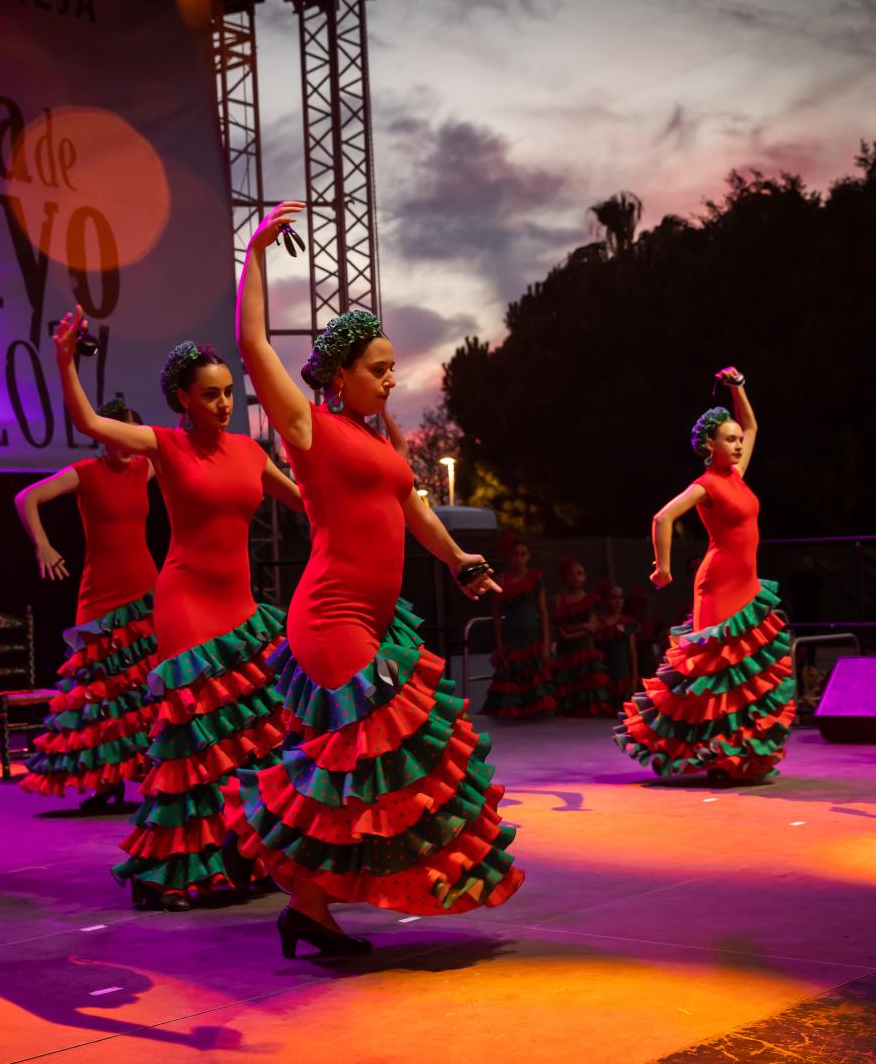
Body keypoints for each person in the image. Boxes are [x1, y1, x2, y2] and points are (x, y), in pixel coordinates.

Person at [227, 200, 524, 959]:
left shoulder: (376, 440)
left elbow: (414, 507)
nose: (392, 380)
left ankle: (311, 908)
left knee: (376, 765)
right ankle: (306, 897)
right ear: (339, 374)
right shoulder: (308, 428)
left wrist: (458, 560)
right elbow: (251, 341)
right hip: (329, 617)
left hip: (372, 617)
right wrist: (257, 250)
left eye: (393, 369)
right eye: (379, 370)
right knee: (371, 755)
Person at [53, 316, 304, 910]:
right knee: (193, 739)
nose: (223, 403)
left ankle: (244, 855)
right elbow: (89, 423)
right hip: (186, 603)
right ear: (182, 401)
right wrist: (66, 361)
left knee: (245, 738)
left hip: (240, 608)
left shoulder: (249, 451)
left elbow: (309, 503)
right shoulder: (165, 446)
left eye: (227, 391)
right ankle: (165, 870)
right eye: (210, 394)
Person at [614, 367, 796, 783]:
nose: (737, 444)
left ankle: (739, 755)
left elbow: (751, 424)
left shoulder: (736, 475)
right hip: (717, 585)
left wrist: (738, 388)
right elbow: (662, 517)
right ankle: (716, 758)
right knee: (717, 672)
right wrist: (663, 567)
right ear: (709, 446)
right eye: (728, 440)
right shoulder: (706, 484)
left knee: (744, 670)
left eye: (736, 440)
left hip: (747, 583)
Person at [15, 399, 159, 810]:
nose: (129, 443)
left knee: (142, 689)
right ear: (103, 436)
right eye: (120, 434)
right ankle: (104, 782)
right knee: (100, 691)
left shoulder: (145, 469)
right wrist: (42, 544)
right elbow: (26, 498)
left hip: (143, 590)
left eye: (134, 434)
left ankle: (146, 773)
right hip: (100, 595)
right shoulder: (86, 473)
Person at [481, 533, 556, 718]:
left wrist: (546, 644)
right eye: (515, 554)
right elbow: (497, 615)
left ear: (528, 556)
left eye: (523, 554)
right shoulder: (501, 580)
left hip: (532, 634)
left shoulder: (535, 578)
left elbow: (543, 612)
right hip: (511, 637)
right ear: (509, 556)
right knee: (510, 682)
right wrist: (498, 644)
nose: (519, 558)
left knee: (535, 679)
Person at [549, 556, 615, 717]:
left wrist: (574, 633)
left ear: (585, 576)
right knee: (567, 694)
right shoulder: (558, 600)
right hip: (566, 654)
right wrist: (583, 627)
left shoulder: (591, 600)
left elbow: (592, 627)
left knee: (589, 695)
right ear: (564, 577)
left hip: (586, 652)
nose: (576, 577)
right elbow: (560, 628)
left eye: (580, 573)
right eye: (571, 574)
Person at [592, 579, 639, 700]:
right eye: (613, 598)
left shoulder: (626, 622)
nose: (619, 602)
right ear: (604, 600)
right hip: (604, 674)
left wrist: (634, 678)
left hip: (622, 674)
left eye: (621, 598)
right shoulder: (597, 623)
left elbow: (631, 651)